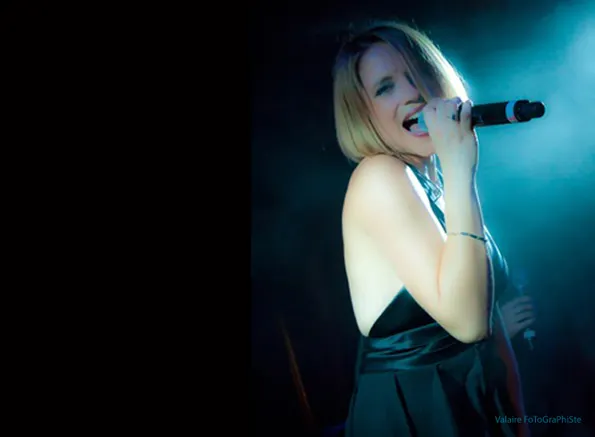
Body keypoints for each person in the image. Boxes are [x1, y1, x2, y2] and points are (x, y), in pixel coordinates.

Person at [333, 21, 530, 436]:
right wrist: (459, 166)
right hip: (418, 415)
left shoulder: (436, 184)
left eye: (418, 72)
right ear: (362, 114)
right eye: (386, 87)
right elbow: (469, 323)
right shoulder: (379, 176)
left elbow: (491, 334)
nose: (413, 93)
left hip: (479, 407)